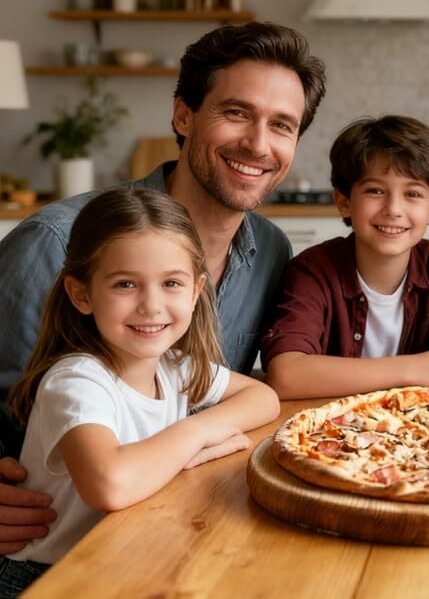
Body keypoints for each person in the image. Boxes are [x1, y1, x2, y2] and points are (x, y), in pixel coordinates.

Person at [0, 21, 324, 554]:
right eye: (237, 112)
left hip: (177, 523)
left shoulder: (271, 250)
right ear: (183, 115)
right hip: (49, 542)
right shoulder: (55, 243)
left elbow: (228, 393)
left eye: (282, 125)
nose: (258, 144)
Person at [0, 189, 279, 596]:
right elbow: (110, 485)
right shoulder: (77, 379)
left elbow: (263, 398)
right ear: (81, 294)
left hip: (124, 553)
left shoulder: (174, 365)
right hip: (48, 575)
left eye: (171, 283)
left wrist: (199, 432)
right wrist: (195, 436)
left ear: (196, 289)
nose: (152, 305)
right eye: (126, 284)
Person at [261, 115, 429, 399]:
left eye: (413, 193)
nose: (393, 209)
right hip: (328, 428)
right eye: (375, 191)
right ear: (344, 201)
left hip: (419, 428)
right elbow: (285, 375)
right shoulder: (312, 270)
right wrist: (411, 369)